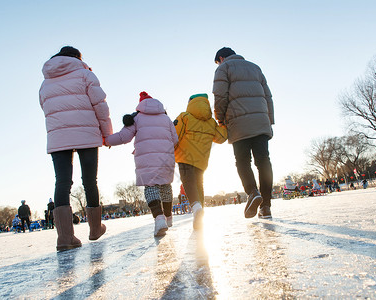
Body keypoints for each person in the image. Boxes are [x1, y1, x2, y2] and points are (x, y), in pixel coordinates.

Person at [39, 46, 113, 251]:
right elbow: (100, 105)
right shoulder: (85, 74)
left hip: (58, 136)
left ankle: (65, 237)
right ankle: (95, 228)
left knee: (62, 182)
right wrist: (106, 134)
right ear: (78, 58)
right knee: (90, 180)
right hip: (86, 133)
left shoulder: (45, 82)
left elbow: (45, 107)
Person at [212, 47, 274, 219]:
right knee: (263, 161)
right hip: (261, 121)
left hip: (238, 122)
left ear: (221, 58)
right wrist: (270, 120)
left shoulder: (223, 69)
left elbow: (220, 95)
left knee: (242, 161)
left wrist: (220, 119)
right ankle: (266, 206)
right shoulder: (255, 67)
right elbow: (268, 96)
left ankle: (252, 192)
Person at [105, 92, 178, 237]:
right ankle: (168, 217)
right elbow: (174, 139)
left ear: (140, 105)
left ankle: (159, 218)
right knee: (165, 186)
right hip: (166, 160)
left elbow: (123, 137)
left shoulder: (137, 118)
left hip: (146, 161)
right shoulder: (166, 118)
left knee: (151, 188)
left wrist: (106, 140)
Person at [174, 93, 227, 229]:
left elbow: (175, 135)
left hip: (184, 156)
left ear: (190, 103)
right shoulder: (211, 122)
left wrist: (170, 151)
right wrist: (223, 124)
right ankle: (200, 211)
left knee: (188, 182)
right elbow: (221, 138)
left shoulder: (184, 117)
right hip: (202, 160)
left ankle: (196, 207)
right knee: (199, 184)